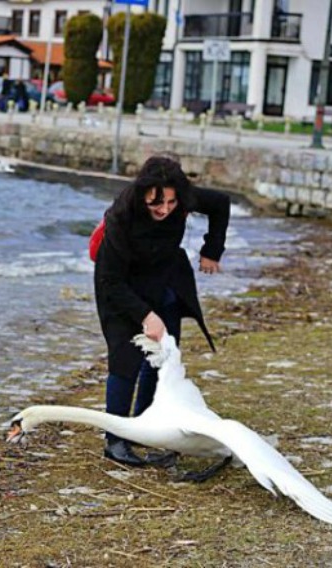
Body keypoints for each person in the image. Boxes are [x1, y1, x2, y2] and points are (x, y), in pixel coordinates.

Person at [93, 155, 230, 466]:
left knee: (163, 356)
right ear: (143, 193)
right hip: (120, 286)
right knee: (125, 359)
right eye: (156, 202)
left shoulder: (182, 197)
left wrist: (212, 250)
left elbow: (221, 203)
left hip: (165, 278)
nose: (165, 209)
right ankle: (115, 440)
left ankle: (147, 427)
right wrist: (146, 316)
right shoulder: (121, 215)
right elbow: (110, 280)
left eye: (171, 202)